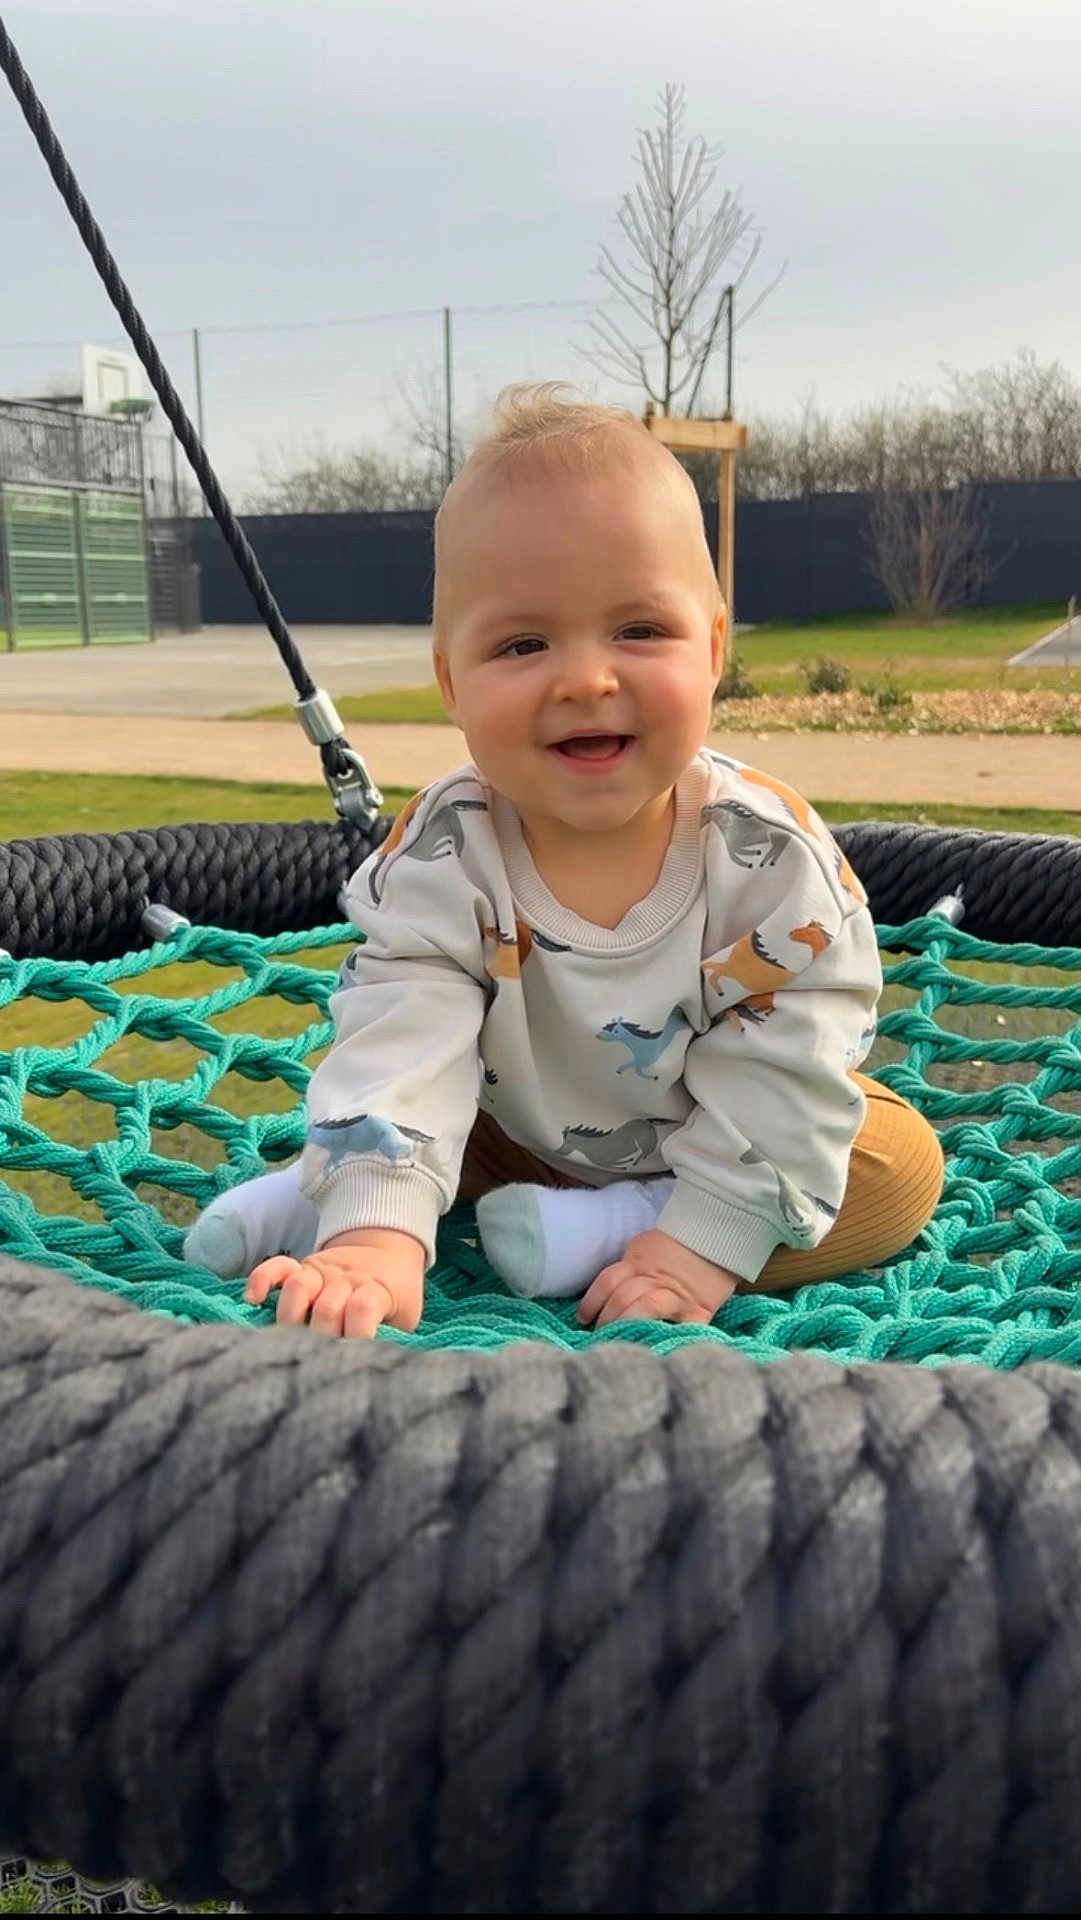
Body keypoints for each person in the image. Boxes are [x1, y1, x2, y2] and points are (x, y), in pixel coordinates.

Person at [183, 383, 943, 1339]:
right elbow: (402, 1040)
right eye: (523, 643)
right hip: (505, 1130)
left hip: (713, 1141)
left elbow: (791, 1067)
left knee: (896, 1162)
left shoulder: (766, 860)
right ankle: (348, 1203)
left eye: (638, 630)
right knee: (419, 1107)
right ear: (451, 683)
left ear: (713, 648)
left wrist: (697, 1246)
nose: (586, 678)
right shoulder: (447, 850)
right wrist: (372, 1236)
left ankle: (611, 1228)